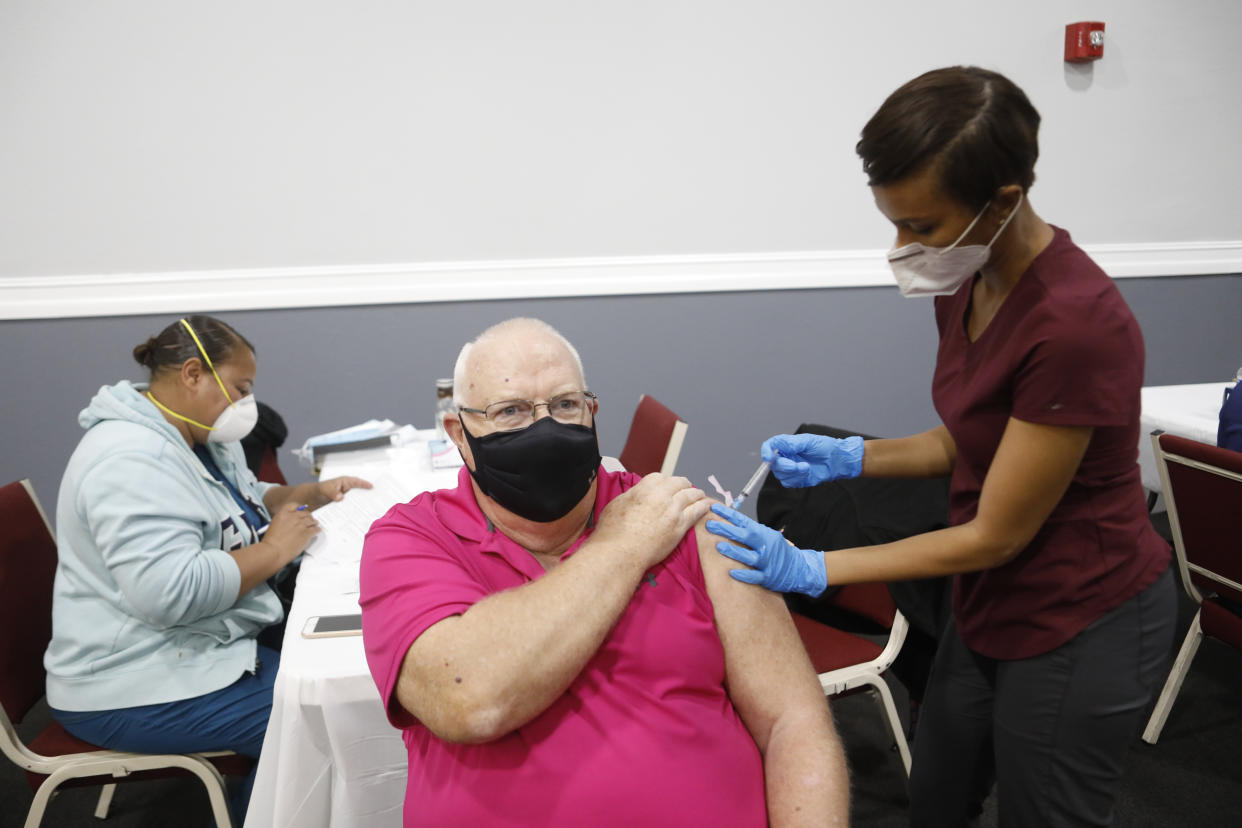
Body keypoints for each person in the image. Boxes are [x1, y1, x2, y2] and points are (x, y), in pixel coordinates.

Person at [707, 67, 1177, 827]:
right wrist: (855, 457)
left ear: (1002, 203)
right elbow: (969, 440)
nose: (902, 246)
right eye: (893, 221)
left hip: (1082, 611)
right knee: (937, 796)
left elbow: (996, 534)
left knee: (1044, 812)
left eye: (920, 226)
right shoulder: (969, 276)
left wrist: (814, 567)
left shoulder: (1075, 326)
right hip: (991, 602)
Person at [359, 317, 849, 827]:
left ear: (592, 412)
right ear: (460, 434)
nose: (543, 429)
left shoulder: (679, 518)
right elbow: (469, 700)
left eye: (565, 404)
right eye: (511, 412)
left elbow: (793, 721)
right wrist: (624, 544)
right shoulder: (412, 539)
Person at [44, 315, 370, 821]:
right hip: (126, 680)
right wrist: (275, 550)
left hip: (187, 648)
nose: (246, 404)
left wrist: (309, 495)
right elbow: (170, 592)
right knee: (316, 717)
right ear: (193, 374)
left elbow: (242, 501)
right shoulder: (130, 460)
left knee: (327, 682)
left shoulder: (195, 436)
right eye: (240, 388)